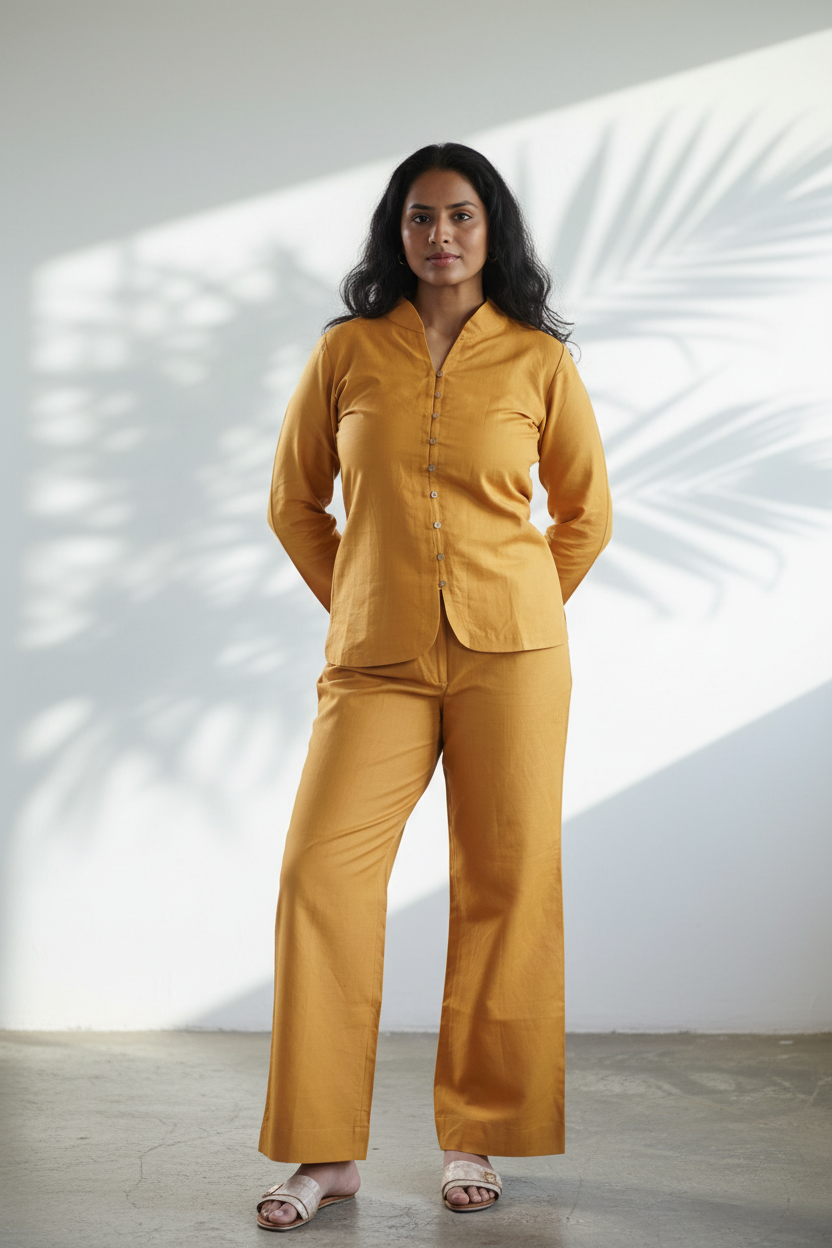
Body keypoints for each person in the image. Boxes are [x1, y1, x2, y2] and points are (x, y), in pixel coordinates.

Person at [255, 142, 612, 1230]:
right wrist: (363, 601)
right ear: (396, 231)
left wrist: (517, 603)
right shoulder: (348, 351)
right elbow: (294, 503)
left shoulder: (539, 361)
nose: (441, 234)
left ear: (491, 229)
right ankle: (326, 1154)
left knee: (506, 885)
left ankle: (476, 1138)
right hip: (377, 660)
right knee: (322, 875)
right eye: (420, 216)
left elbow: (585, 514)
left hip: (516, 659)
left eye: (460, 215)